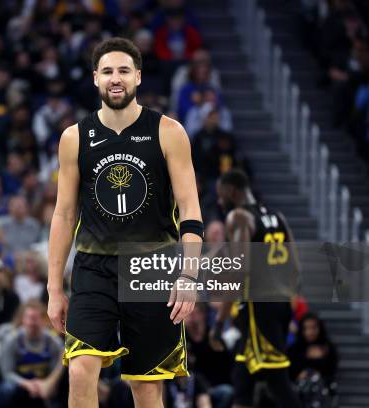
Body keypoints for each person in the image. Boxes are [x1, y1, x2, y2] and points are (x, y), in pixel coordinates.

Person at [47, 37, 203, 408]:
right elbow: (64, 214)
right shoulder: (74, 137)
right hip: (93, 266)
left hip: (152, 266)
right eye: (107, 72)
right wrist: (54, 288)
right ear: (95, 79)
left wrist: (189, 275)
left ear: (137, 77)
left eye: (122, 71)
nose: (115, 79)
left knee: (146, 387)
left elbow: (190, 209)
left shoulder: (169, 131)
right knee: (81, 367)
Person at [210, 169, 302, 408]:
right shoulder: (277, 216)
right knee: (242, 381)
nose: (219, 202)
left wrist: (219, 322)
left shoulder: (239, 217)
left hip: (257, 310)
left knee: (278, 383)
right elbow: (296, 268)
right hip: (279, 306)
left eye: (221, 196)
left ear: (232, 191)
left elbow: (238, 272)